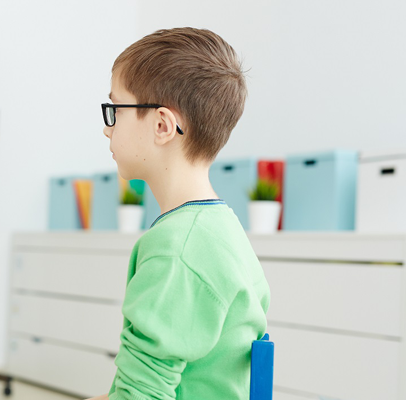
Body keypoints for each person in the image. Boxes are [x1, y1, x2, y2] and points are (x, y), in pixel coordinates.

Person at [88, 28, 270, 400]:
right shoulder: (223, 230)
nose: (107, 130)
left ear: (161, 125)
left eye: (115, 111)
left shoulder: (177, 248)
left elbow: (141, 395)